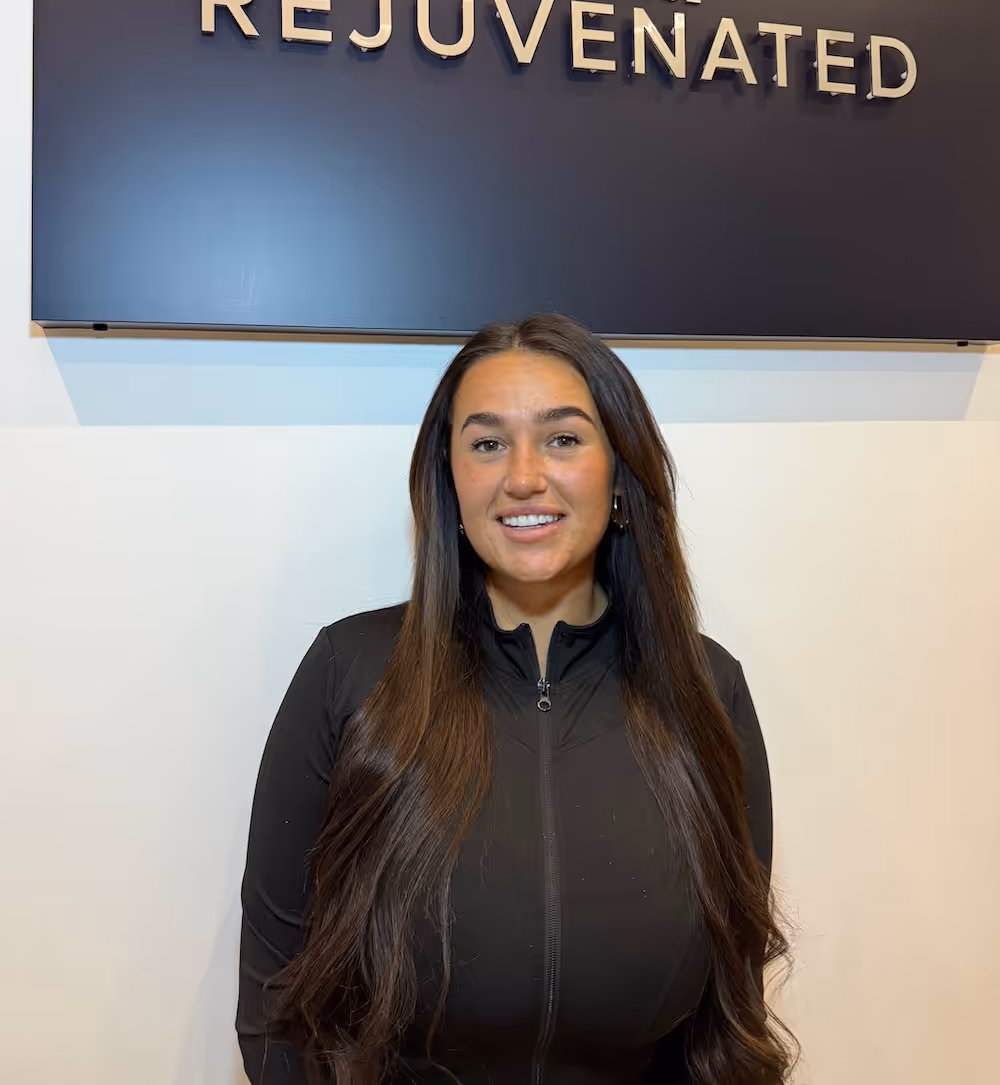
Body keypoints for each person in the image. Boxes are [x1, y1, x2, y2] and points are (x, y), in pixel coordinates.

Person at [237, 313, 794, 1085]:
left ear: (619, 471)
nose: (523, 475)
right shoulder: (348, 673)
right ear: (450, 477)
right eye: (488, 441)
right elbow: (276, 1003)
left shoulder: (708, 693)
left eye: (563, 438)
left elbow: (730, 1014)